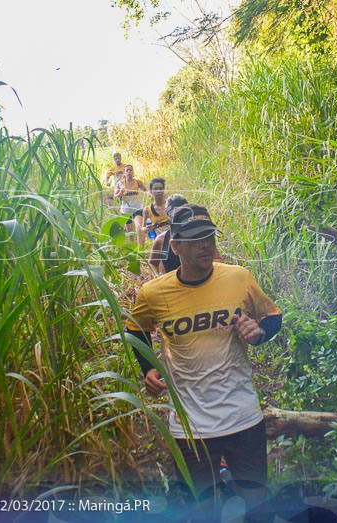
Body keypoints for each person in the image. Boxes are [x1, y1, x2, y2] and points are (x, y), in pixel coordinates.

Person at [125, 205, 282, 503]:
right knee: (204, 507)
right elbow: (135, 330)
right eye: (196, 240)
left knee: (256, 503)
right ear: (176, 246)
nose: (205, 245)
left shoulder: (238, 278)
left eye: (209, 237)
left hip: (242, 416)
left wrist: (259, 334)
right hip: (190, 425)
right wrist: (148, 368)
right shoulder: (154, 293)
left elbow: (273, 316)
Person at [114, 164, 147, 234]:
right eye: (127, 170)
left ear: (133, 172)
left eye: (131, 170)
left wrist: (153, 195)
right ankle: (132, 243)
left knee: (139, 228)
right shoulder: (120, 183)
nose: (129, 172)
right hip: (126, 211)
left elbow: (145, 190)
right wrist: (120, 193)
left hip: (137, 209)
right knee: (130, 232)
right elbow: (115, 196)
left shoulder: (138, 182)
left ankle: (139, 244)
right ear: (124, 173)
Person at [140, 177, 170, 247]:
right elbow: (143, 229)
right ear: (151, 191)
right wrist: (148, 229)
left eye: (161, 188)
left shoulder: (170, 204)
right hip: (160, 243)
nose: (158, 191)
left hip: (174, 240)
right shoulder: (147, 210)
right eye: (155, 189)